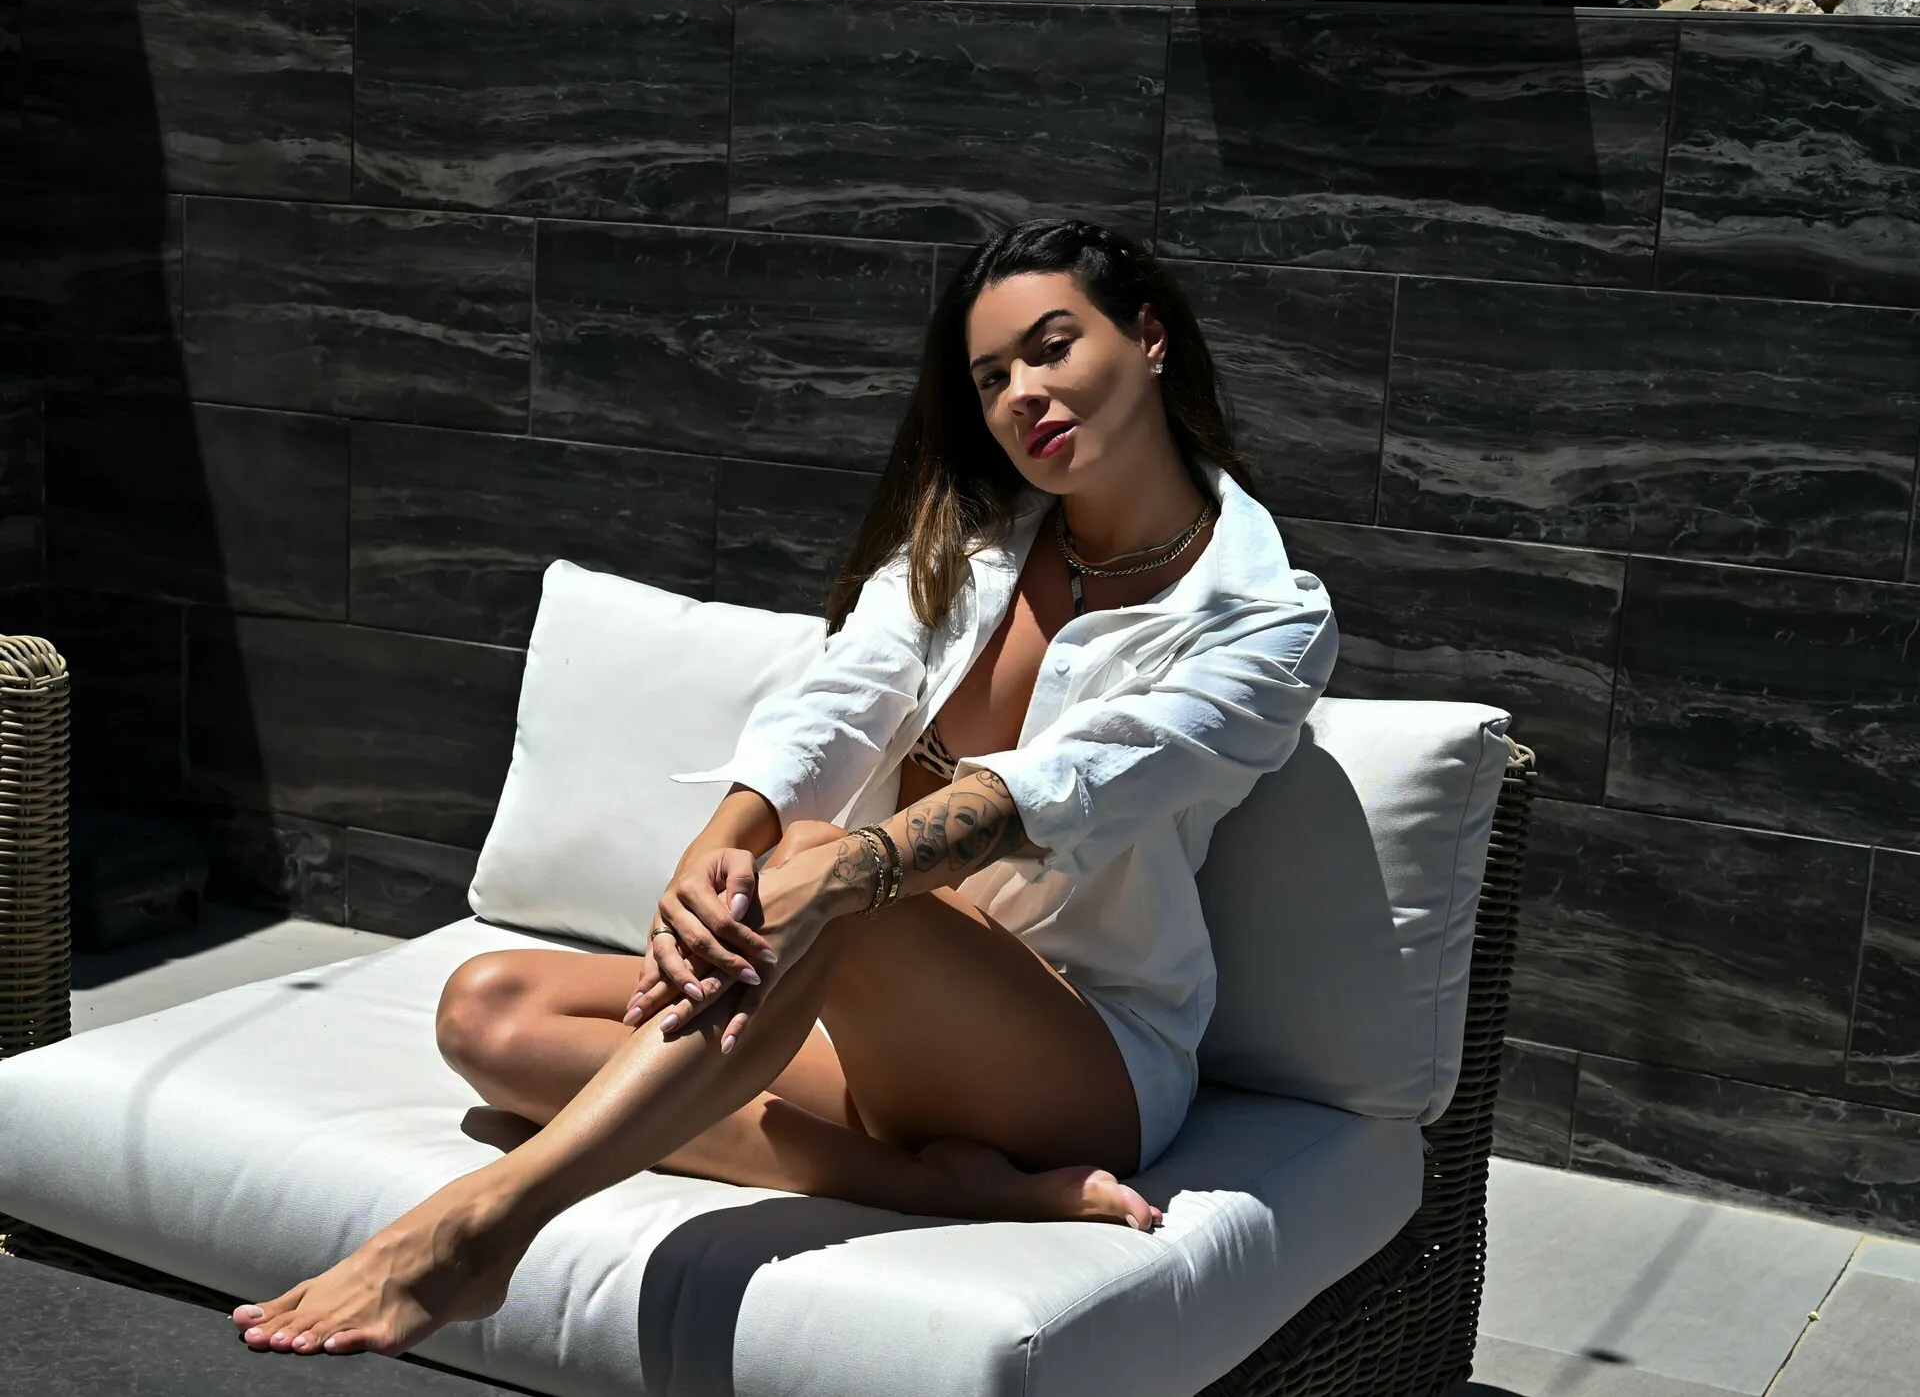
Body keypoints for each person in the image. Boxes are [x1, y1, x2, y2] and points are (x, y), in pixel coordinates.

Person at [229, 217, 1338, 1359]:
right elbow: (841, 697)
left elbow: (1073, 781)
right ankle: (939, 1186)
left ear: (1148, 336)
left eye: (1054, 348)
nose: (1024, 394)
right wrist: (718, 841)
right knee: (488, 1009)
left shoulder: (1267, 620)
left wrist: (827, 873)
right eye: (991, 377)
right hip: (874, 1010)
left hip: (1080, 1055)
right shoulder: (975, 547)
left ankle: (482, 1225)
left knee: (833, 873)